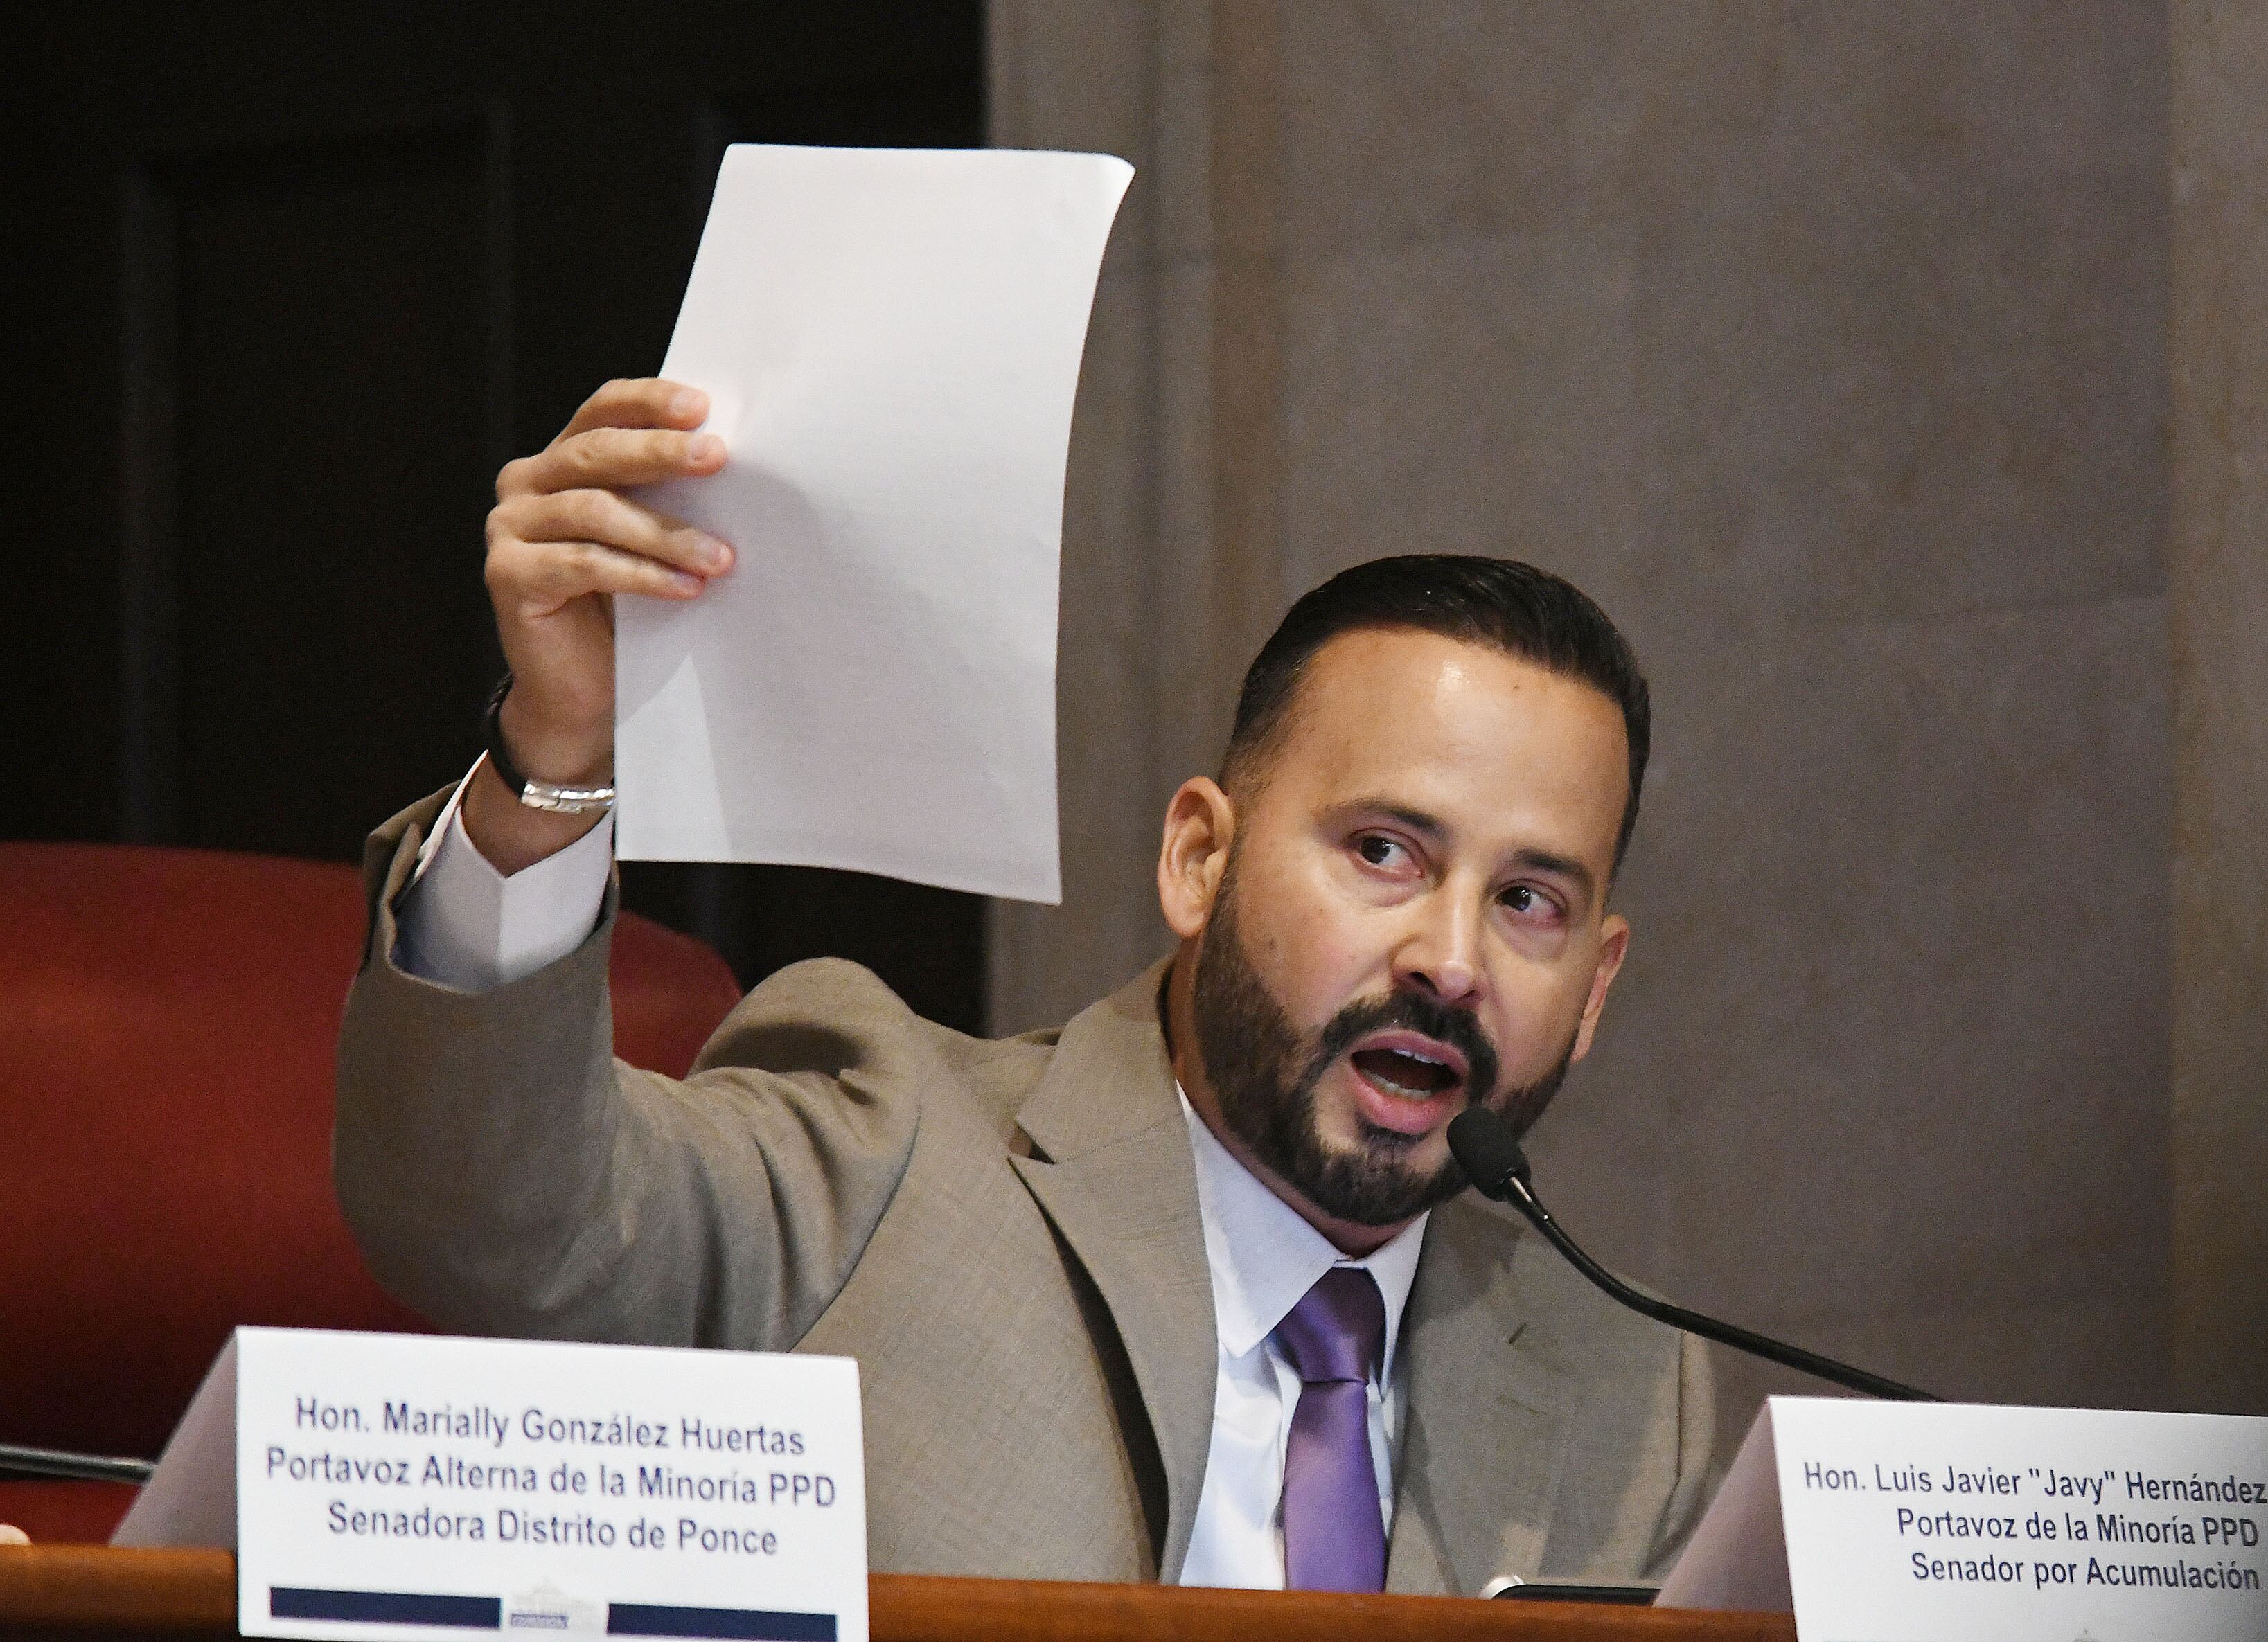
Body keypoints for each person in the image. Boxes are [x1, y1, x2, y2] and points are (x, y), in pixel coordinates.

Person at [334, 378, 1713, 1597]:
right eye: (1382, 853)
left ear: (1593, 985)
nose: (1451, 961)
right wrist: (556, 759)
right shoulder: (884, 1152)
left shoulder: (1629, 1393)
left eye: (1527, 902)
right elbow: (494, 1218)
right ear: (1198, 859)